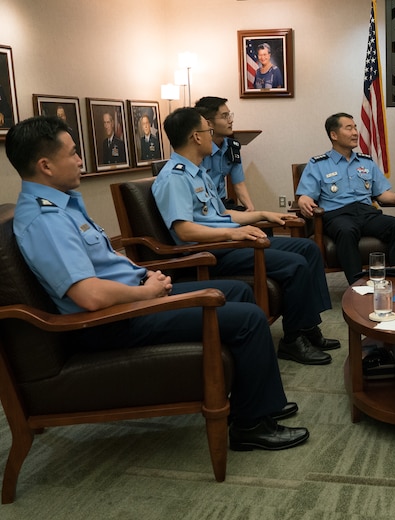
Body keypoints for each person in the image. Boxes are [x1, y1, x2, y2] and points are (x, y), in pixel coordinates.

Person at [7, 115, 308, 451]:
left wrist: (144, 273)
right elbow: (88, 295)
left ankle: (256, 400)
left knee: (236, 290)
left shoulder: (63, 204)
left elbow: (104, 262)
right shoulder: (45, 219)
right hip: (113, 321)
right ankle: (250, 426)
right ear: (46, 165)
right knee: (249, 320)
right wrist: (145, 292)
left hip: (131, 301)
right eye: (74, 153)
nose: (80, 160)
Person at [152, 107, 338, 366]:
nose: (211, 135)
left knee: (307, 249)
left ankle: (308, 328)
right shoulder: (174, 177)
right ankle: (293, 341)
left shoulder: (198, 172)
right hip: (209, 252)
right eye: (208, 131)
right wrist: (232, 233)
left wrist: (263, 213)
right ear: (196, 137)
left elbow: (222, 213)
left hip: (228, 241)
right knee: (294, 265)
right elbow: (185, 231)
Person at [296, 112, 395, 284]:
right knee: (347, 231)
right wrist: (303, 199)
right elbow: (305, 196)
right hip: (337, 215)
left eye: (355, 127)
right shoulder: (318, 164)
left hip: (367, 214)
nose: (355, 132)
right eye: (349, 128)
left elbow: (381, 194)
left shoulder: (366, 162)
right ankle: (357, 285)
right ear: (334, 135)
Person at [194, 96, 255, 211]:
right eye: (224, 116)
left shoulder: (231, 148)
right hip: (202, 204)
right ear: (208, 123)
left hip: (221, 203)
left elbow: (239, 184)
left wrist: (250, 209)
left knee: (258, 221)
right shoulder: (197, 149)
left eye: (229, 115)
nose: (230, 120)